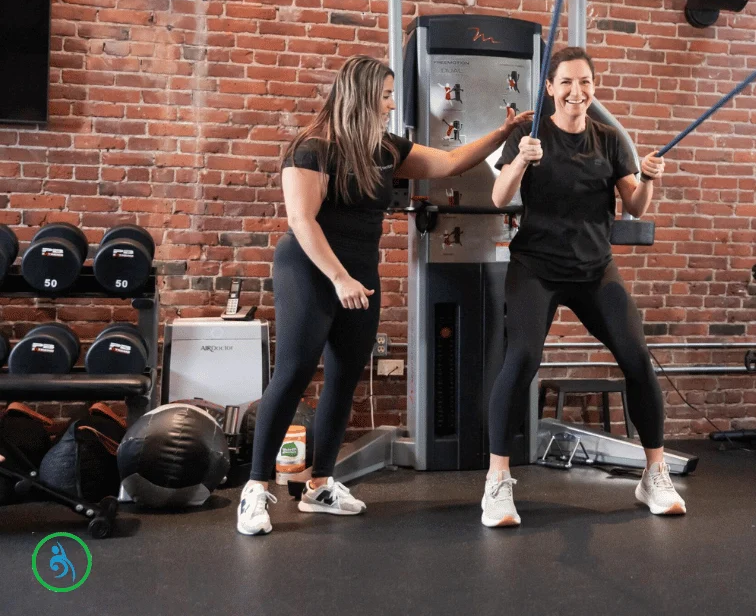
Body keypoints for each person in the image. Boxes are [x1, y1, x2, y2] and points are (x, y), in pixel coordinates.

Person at [238, 55, 533, 536]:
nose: (392, 104)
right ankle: (254, 488)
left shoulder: (384, 149)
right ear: (361, 97)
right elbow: (301, 220)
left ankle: (320, 484)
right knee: (292, 373)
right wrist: (339, 279)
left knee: (344, 378)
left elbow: (449, 163)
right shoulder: (312, 148)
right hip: (311, 268)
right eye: (386, 96)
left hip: (359, 272)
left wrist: (503, 134)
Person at [481, 46, 686, 528]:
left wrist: (648, 178)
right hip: (536, 267)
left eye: (586, 82)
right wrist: (520, 163)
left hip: (595, 269)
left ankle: (654, 474)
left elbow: (634, 206)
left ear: (594, 87)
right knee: (522, 359)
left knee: (637, 357)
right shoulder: (530, 135)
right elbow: (498, 197)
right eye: (567, 82)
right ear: (550, 88)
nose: (577, 91)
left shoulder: (610, 140)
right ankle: (497, 481)